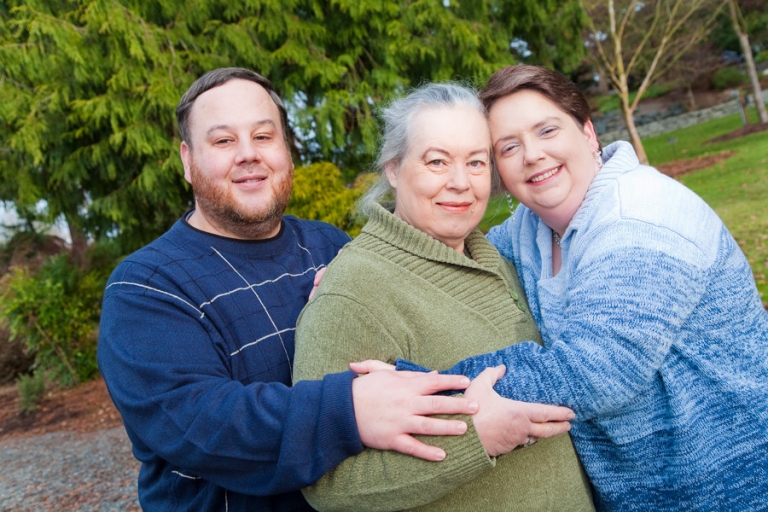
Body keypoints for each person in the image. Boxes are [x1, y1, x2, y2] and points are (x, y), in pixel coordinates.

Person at [96, 68, 513, 511]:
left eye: (264, 136)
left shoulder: (329, 245)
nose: (248, 155)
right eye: (222, 141)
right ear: (187, 160)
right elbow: (200, 425)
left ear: (286, 150)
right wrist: (348, 410)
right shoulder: (147, 287)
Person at [394, 65, 768, 511]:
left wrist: (415, 391)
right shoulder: (531, 229)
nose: (531, 155)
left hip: (731, 486)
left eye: (547, 130)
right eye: (508, 147)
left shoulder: (641, 218)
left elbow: (594, 371)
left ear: (588, 133)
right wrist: (366, 264)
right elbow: (461, 259)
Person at [292, 83, 593, 511]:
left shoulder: (496, 258)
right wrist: (477, 438)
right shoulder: (352, 293)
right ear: (394, 169)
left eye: (476, 162)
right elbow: (326, 483)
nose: (460, 183)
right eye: (437, 161)